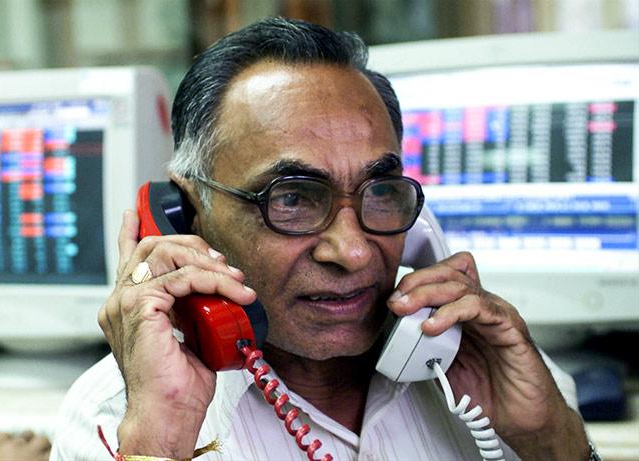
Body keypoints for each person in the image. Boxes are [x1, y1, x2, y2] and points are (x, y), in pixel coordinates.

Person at [50, 17, 594, 461]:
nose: (354, 251)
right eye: (291, 198)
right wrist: (160, 440)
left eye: (380, 191)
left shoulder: (495, 377)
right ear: (186, 215)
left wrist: (550, 441)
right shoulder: (117, 414)